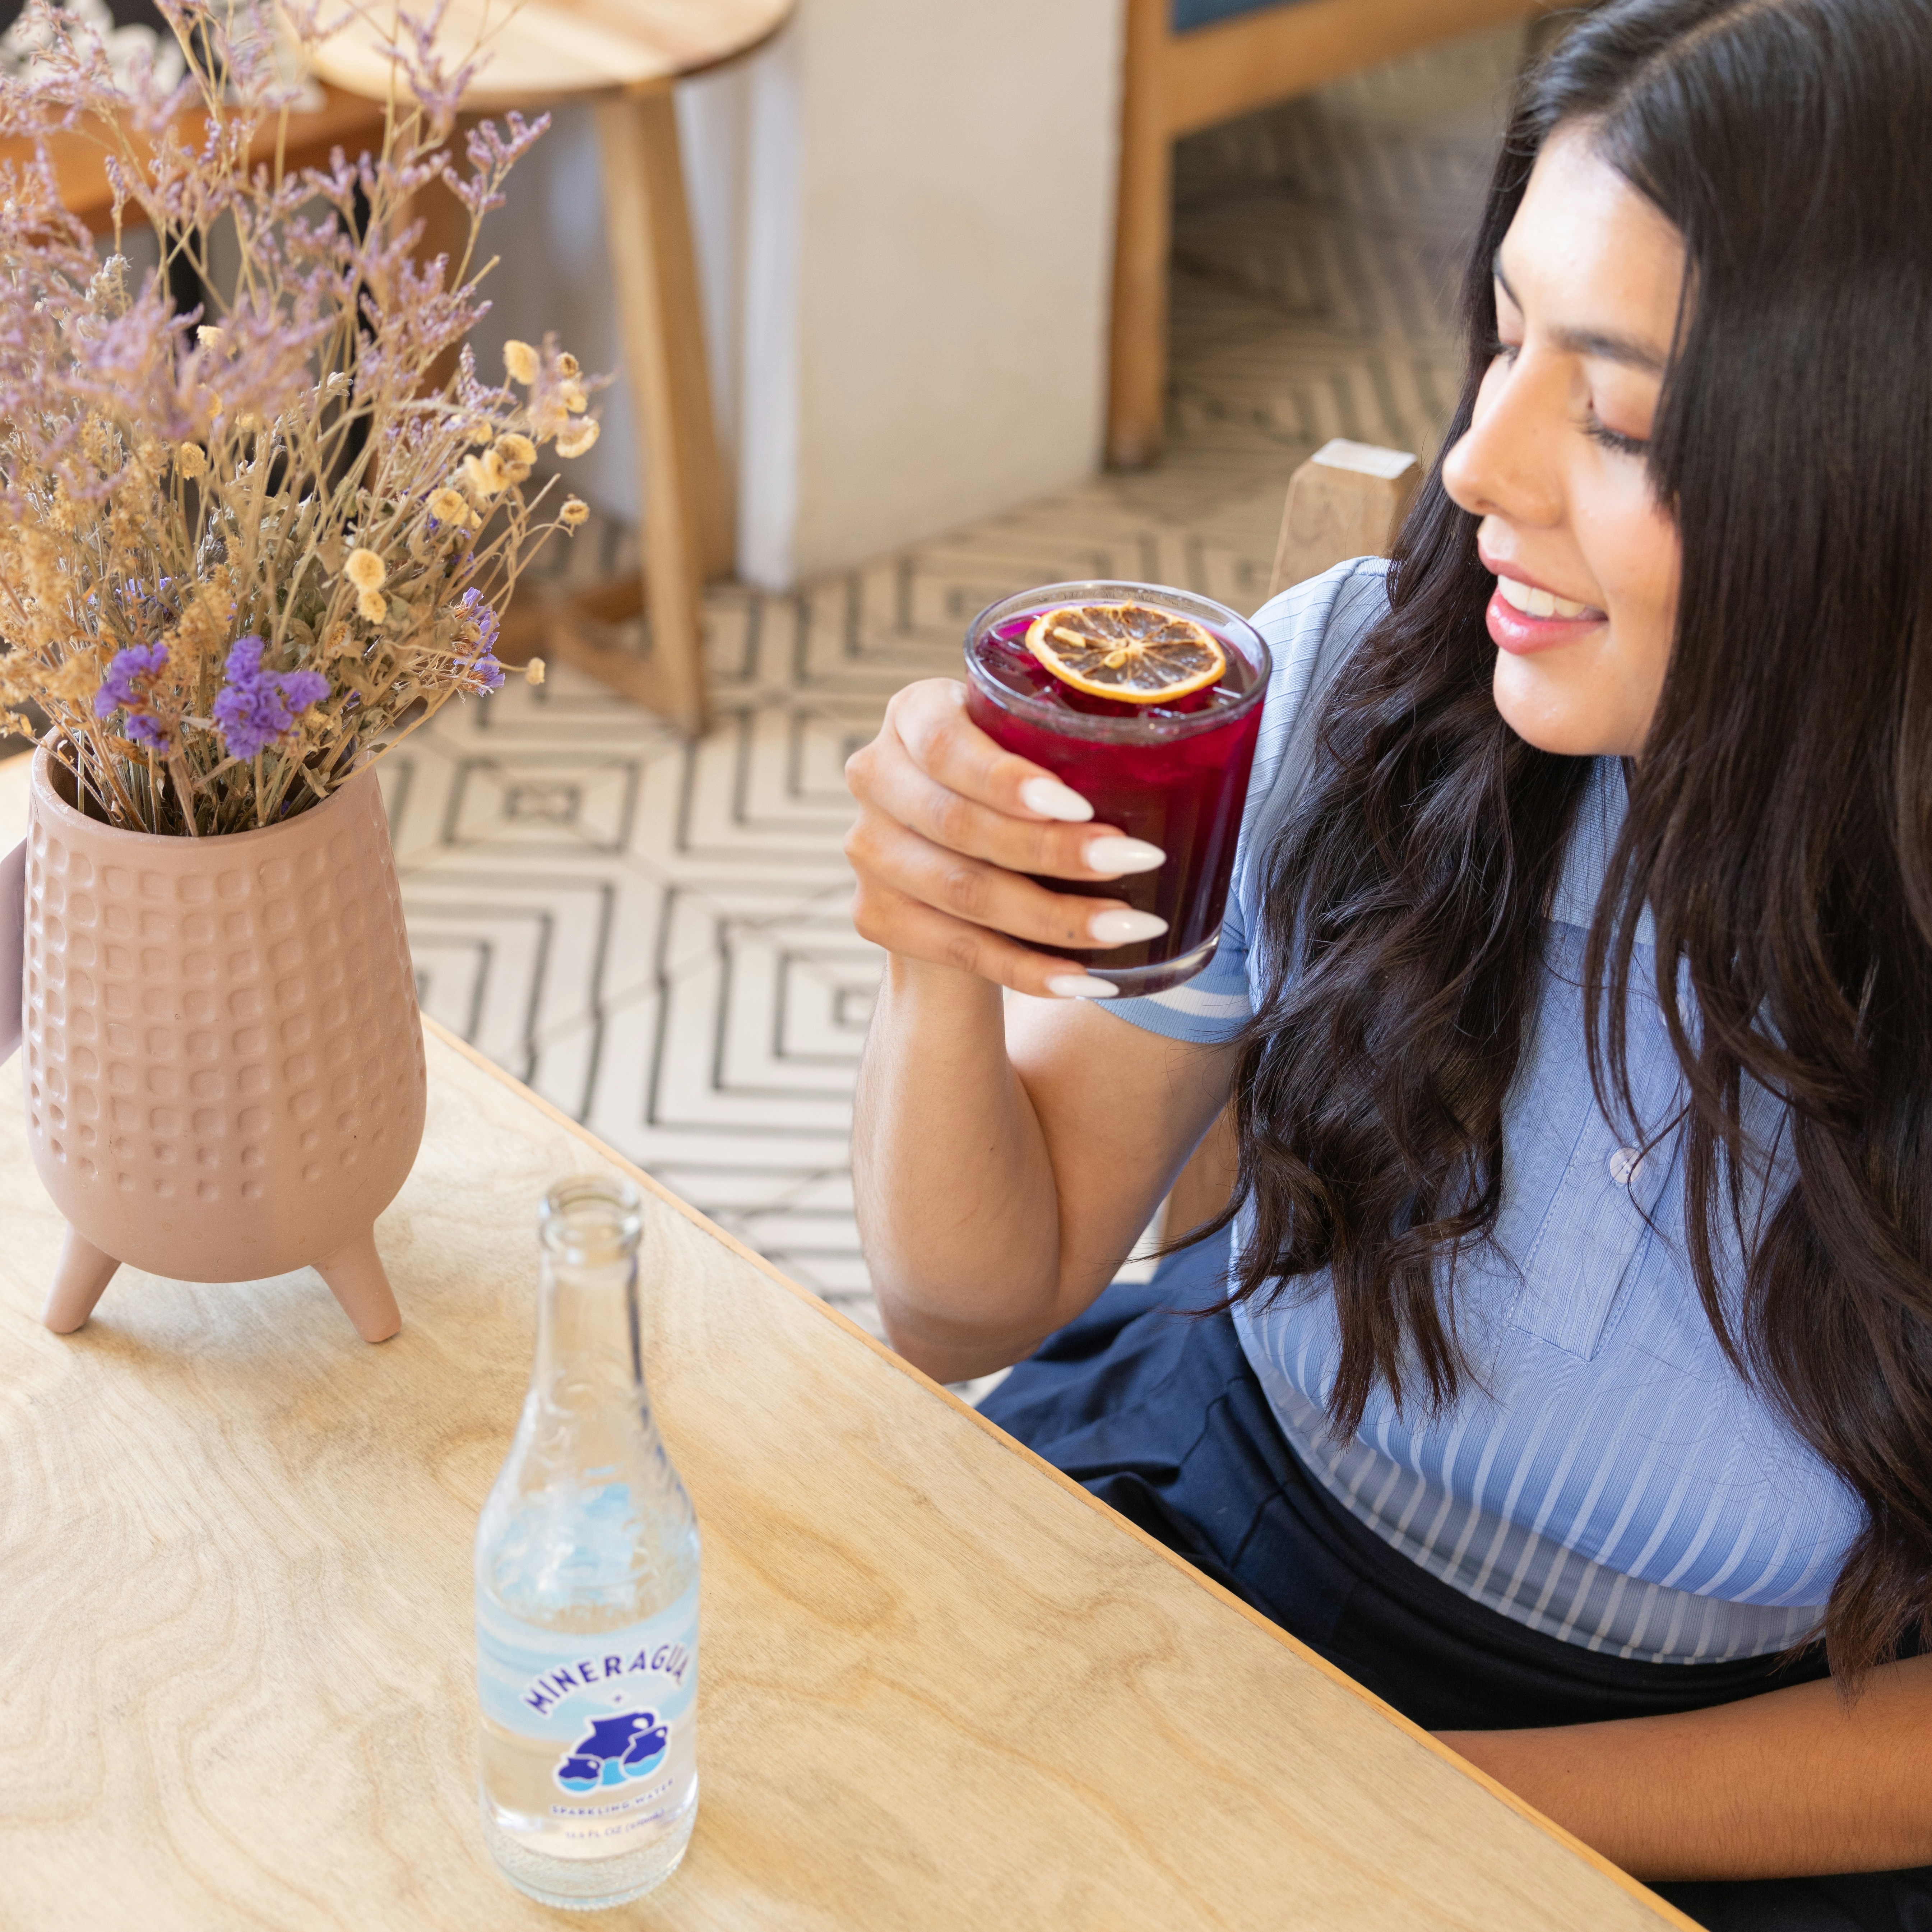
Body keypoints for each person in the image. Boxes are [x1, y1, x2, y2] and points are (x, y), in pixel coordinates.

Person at [842, 1, 1932, 1926]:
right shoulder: (1365, 675)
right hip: (1207, 1554)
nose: (1475, 460)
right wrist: (940, 956)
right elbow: (961, 1303)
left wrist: (1389, 1799)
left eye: (1616, 411)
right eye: (1502, 336)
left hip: (1692, 1800)